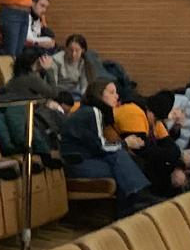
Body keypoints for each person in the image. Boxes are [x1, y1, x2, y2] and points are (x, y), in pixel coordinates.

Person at [60, 79, 151, 215]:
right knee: (120, 160)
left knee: (121, 161)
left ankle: (132, 203)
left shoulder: (87, 111)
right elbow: (101, 146)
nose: (117, 96)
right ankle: (134, 202)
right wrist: (126, 143)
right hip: (77, 164)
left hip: (79, 162)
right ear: (99, 94)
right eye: (112, 92)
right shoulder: (93, 111)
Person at [114, 88, 190, 196]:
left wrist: (178, 164)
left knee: (181, 162)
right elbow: (142, 150)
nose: (157, 123)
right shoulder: (132, 111)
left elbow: (171, 147)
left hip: (138, 157)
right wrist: (175, 161)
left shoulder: (154, 119)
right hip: (123, 156)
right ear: (152, 111)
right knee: (155, 163)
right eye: (157, 119)